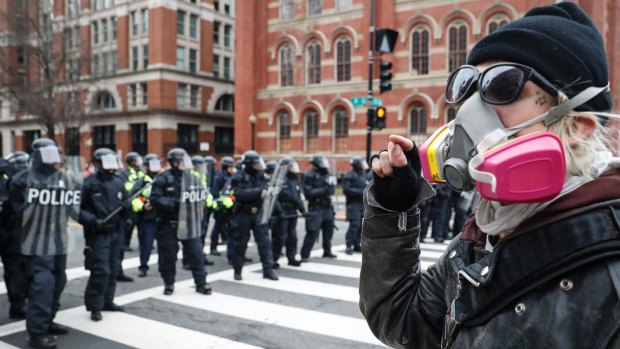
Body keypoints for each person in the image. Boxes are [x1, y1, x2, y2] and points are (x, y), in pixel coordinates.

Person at [359, 3, 620, 348]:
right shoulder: (483, 231)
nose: (469, 109)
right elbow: (404, 321)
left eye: (502, 84)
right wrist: (394, 213)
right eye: (468, 85)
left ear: (577, 125)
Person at [9, 139, 76, 349]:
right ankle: (36, 333)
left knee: (59, 279)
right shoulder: (22, 180)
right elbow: (20, 211)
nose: (53, 159)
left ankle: (48, 321)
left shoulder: (63, 177)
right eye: (48, 154)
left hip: (58, 238)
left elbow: (70, 205)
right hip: (36, 240)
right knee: (43, 284)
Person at [150, 148, 212, 296]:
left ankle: (201, 283)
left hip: (189, 223)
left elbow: (200, 196)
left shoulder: (192, 178)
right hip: (169, 224)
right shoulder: (162, 179)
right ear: (175, 162)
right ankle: (169, 283)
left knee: (196, 254)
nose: (186, 164)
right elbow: (155, 199)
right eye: (183, 161)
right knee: (168, 256)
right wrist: (175, 203)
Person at [79, 148, 128, 322]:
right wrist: (93, 221)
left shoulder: (118, 182)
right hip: (98, 233)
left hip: (116, 231)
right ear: (97, 164)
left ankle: (108, 301)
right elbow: (78, 210)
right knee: (101, 270)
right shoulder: (88, 183)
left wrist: (128, 208)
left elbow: (125, 205)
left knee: (114, 268)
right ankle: (95, 306)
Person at [228, 150, 279, 281]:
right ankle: (237, 270)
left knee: (264, 243)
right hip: (243, 213)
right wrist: (259, 192)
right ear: (249, 164)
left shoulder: (261, 175)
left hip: (259, 213)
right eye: (256, 164)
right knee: (240, 243)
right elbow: (239, 194)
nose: (259, 166)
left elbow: (267, 189)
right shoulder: (238, 177)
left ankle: (268, 270)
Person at [0, 157, 28, 321]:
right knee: (15, 269)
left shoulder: (9, 168)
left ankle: (17, 306)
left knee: (15, 269)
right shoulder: (11, 169)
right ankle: (17, 306)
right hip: (11, 228)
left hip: (10, 227)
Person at [300, 154, 337, 262]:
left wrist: (331, 188)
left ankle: (327, 251)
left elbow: (332, 189)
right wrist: (324, 190)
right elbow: (308, 193)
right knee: (312, 231)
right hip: (316, 206)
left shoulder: (326, 174)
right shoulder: (308, 175)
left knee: (328, 230)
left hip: (327, 206)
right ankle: (305, 255)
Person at [131, 153, 161, 278]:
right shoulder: (142, 181)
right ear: (147, 167)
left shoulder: (163, 178)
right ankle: (143, 267)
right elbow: (133, 198)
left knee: (164, 245)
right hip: (147, 218)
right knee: (147, 244)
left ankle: (163, 266)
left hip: (161, 216)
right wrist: (143, 206)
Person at [116, 152, 145, 283]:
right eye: (137, 160)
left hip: (142, 205)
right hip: (130, 206)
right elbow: (126, 189)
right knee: (128, 227)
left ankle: (119, 271)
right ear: (131, 161)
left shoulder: (141, 173)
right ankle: (126, 243)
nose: (139, 162)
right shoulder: (123, 174)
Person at [272, 156, 304, 268]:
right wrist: (279, 211)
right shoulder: (278, 179)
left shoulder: (295, 179)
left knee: (292, 237)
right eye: (292, 166)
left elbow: (298, 196)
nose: (294, 168)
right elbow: (273, 198)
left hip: (292, 211)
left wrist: (302, 208)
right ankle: (273, 259)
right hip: (282, 211)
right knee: (280, 237)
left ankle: (291, 258)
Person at [342, 156, 369, 255]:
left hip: (363, 204)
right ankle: (349, 246)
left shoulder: (364, 175)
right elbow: (346, 190)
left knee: (361, 226)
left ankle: (356, 244)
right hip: (353, 204)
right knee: (354, 225)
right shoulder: (349, 175)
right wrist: (362, 192)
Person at [209, 156, 235, 256]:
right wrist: (219, 205)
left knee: (227, 228)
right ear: (225, 167)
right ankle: (213, 247)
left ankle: (229, 248)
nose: (232, 169)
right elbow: (215, 192)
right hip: (220, 207)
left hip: (228, 206)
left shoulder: (230, 176)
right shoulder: (219, 177)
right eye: (230, 167)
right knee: (217, 227)